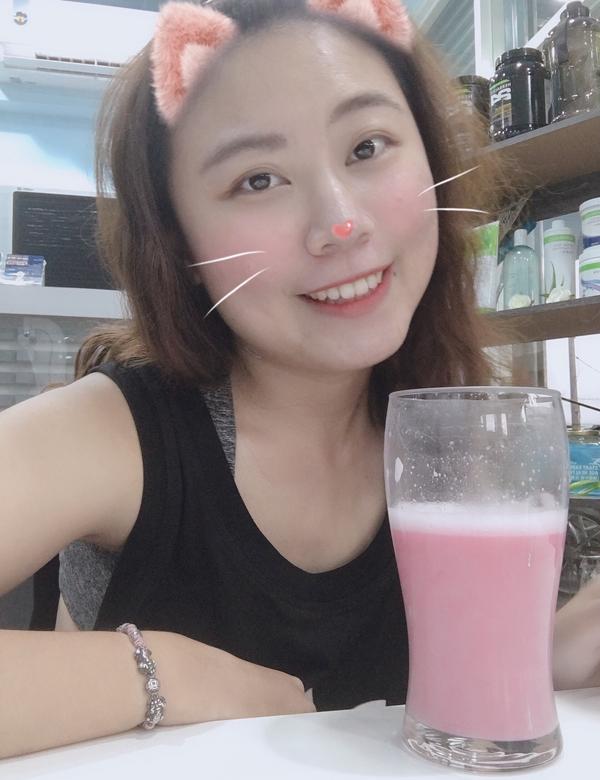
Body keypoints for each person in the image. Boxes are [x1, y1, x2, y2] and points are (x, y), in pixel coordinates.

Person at [1, 0, 598, 761]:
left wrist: (552, 659)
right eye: (258, 180)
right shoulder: (117, 432)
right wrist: (161, 674)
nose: (340, 224)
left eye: (368, 146)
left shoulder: (454, 426)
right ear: (178, 244)